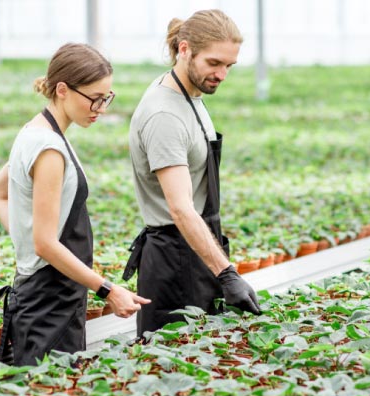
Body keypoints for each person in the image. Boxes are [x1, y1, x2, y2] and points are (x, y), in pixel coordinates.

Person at [0, 43, 150, 366]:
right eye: (94, 98)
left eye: (107, 98)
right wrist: (107, 290)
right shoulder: (49, 149)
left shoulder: (34, 132)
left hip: (45, 293)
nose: (101, 108)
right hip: (50, 302)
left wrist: (28, 242)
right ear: (62, 90)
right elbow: (46, 243)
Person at [123, 9, 261, 339]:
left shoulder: (192, 95)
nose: (222, 74)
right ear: (184, 50)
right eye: (214, 63)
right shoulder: (165, 114)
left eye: (229, 65)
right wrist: (226, 273)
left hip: (195, 253)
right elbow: (181, 208)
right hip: (175, 264)